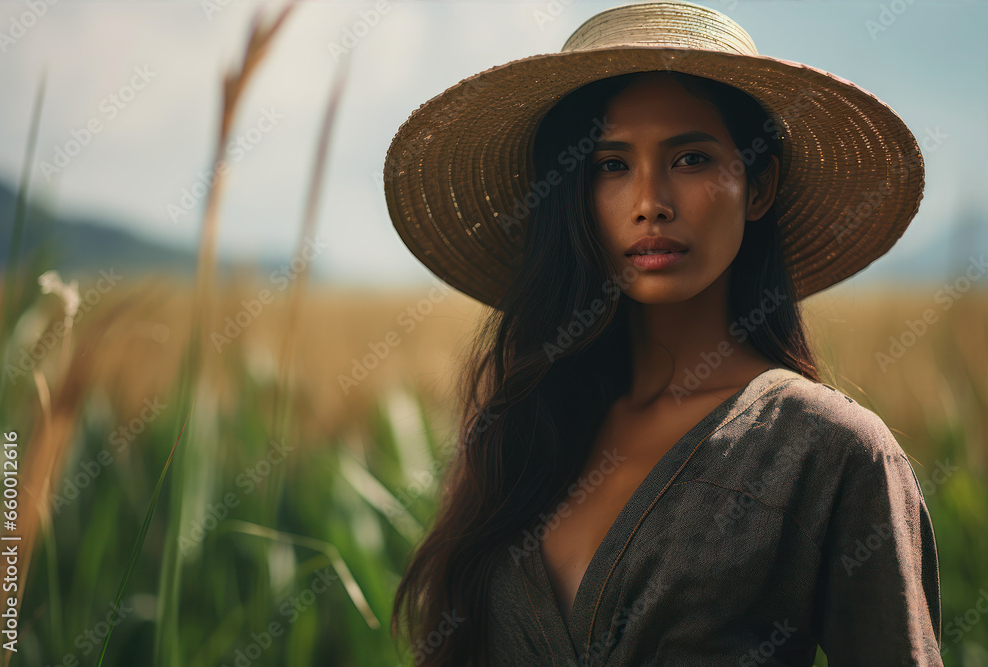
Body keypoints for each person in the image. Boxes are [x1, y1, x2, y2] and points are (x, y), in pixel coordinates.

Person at [382, 2, 941, 665]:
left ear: (758, 185)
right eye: (611, 165)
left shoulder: (829, 452)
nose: (651, 200)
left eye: (692, 158)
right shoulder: (523, 431)